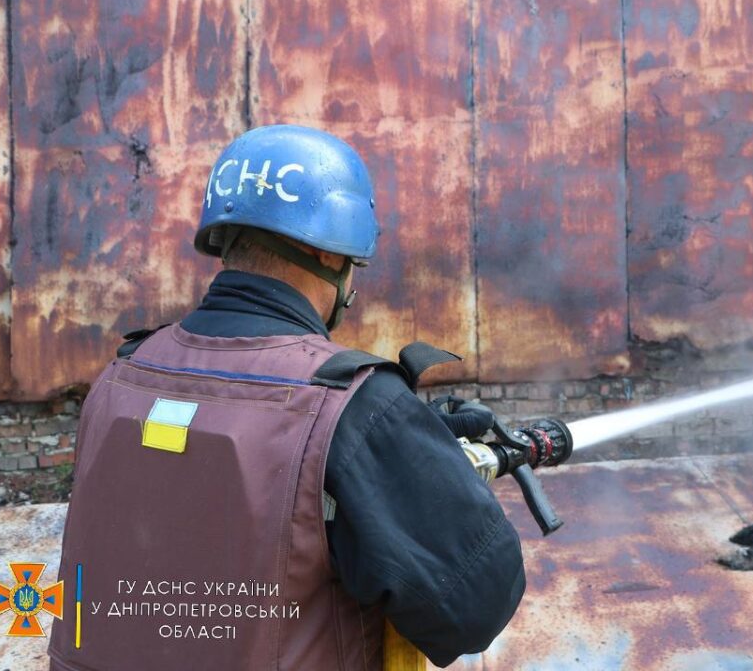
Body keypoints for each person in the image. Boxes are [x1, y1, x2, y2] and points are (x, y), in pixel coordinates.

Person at [49, 125, 525, 670]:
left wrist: (406, 448)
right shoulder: (351, 405)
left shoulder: (120, 377)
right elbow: (473, 607)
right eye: (355, 266)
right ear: (323, 254)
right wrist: (426, 471)